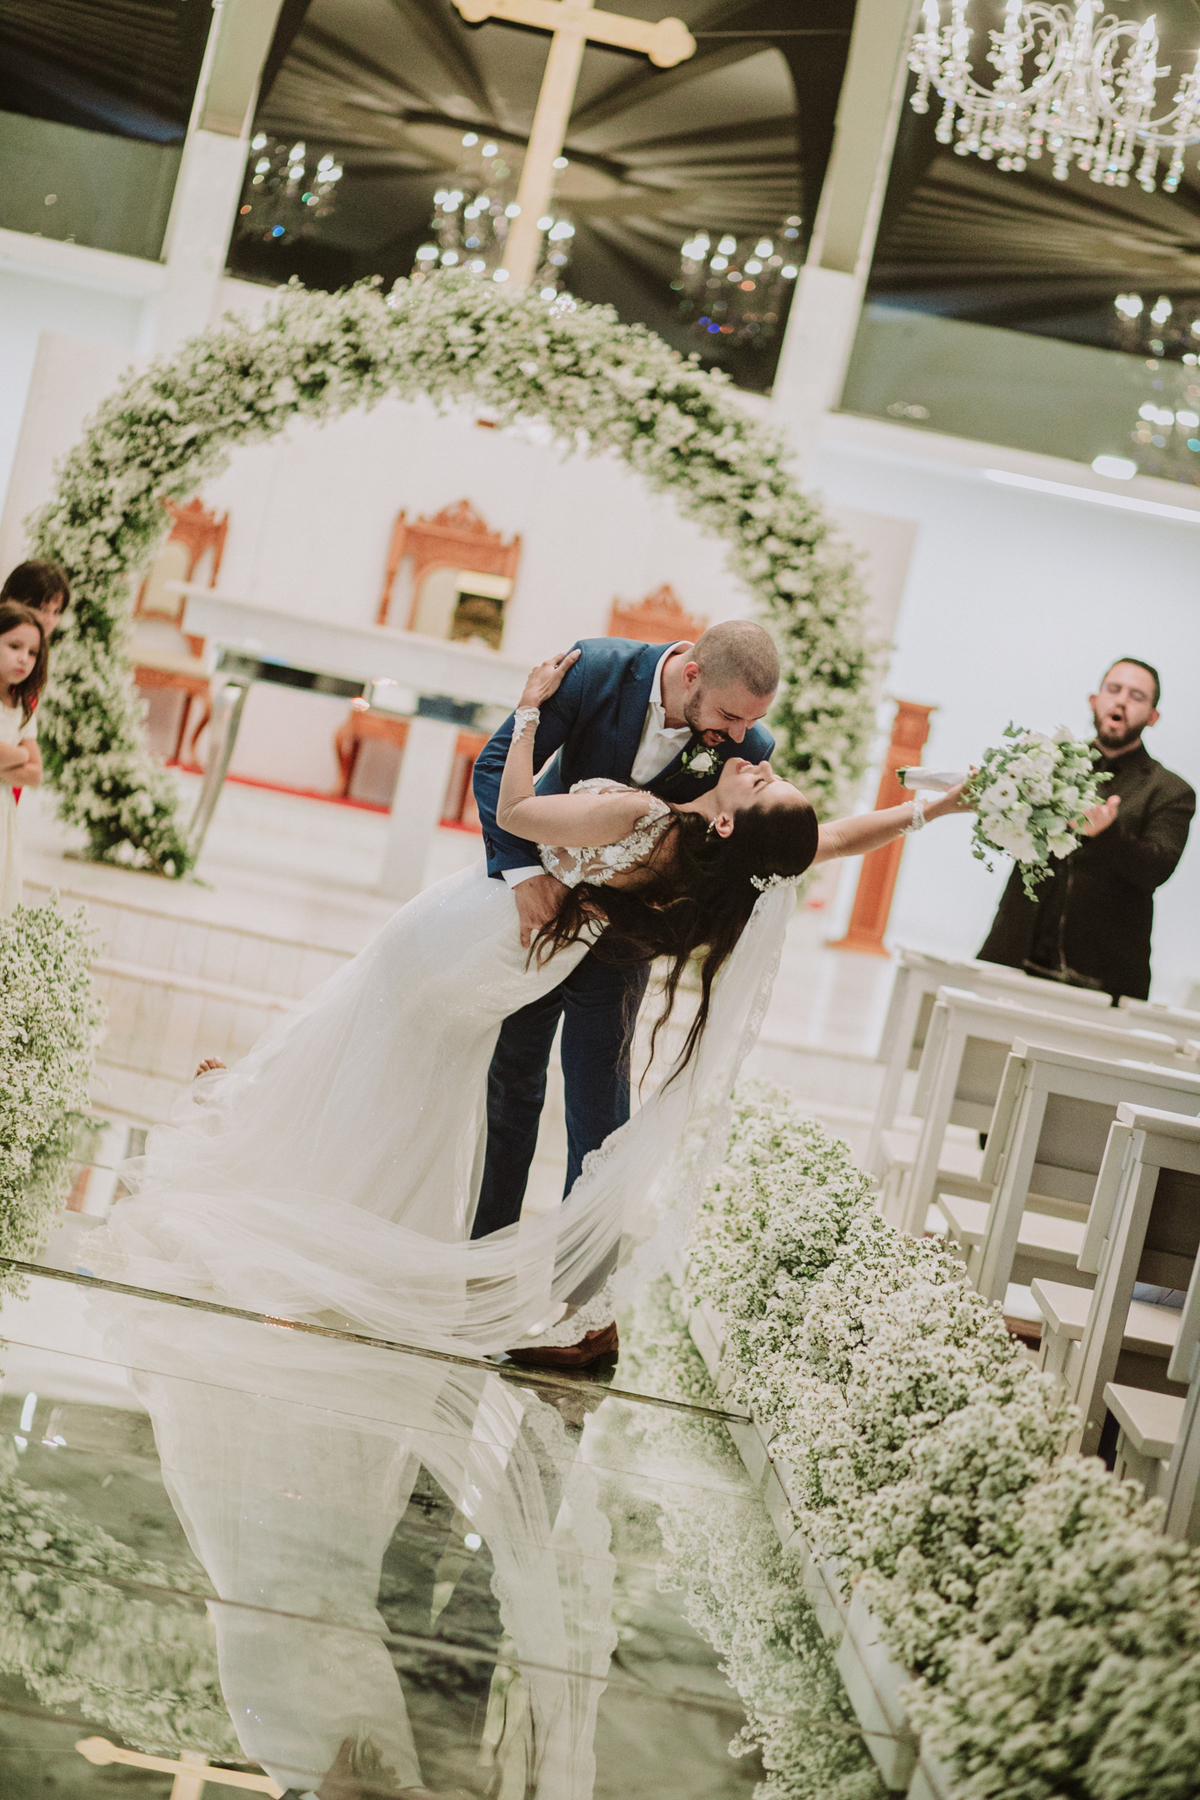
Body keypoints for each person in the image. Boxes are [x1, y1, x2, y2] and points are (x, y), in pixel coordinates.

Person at [100, 647, 968, 1372]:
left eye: (752, 747)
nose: (750, 747)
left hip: (535, 947)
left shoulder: (681, 815)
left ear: (740, 822)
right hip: (515, 924)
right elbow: (820, 840)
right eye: (736, 726)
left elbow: (796, 838)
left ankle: (577, 1309)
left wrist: (524, 715)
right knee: (464, 1080)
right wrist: (937, 808)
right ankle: (442, 1247)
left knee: (551, 1095)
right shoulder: (609, 690)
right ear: (695, 670)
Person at [470, 623, 781, 1265]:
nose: (742, 735)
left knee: (599, 1117)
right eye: (730, 715)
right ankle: (484, 1261)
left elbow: (718, 855)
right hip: (540, 915)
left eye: (754, 721)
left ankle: (577, 1295)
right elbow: (500, 767)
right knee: (513, 1083)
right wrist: (526, 878)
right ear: (691, 672)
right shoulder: (595, 670)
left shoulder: (747, 746)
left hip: (622, 940)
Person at [979, 657, 1194, 1002]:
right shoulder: (1043, 763)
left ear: (1153, 717)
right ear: (1094, 701)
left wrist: (1106, 834)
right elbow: (1004, 836)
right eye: (1114, 689)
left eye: (1137, 696)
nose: (1121, 701)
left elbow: (1156, 868)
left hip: (1102, 977)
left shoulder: (1170, 791)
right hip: (1014, 952)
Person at [0, 560, 69, 806]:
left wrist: (19, 758)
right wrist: (21, 756)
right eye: (41, 608)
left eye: (57, 611)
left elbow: (34, 772)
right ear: (11, 600)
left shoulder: (29, 667)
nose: (49, 620)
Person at [0, 600, 47, 913]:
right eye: (14, 646)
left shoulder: (23, 706)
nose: (24, 658)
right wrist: (20, 754)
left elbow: (36, 773)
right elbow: (24, 760)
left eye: (32, 653)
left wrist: (8, 757)